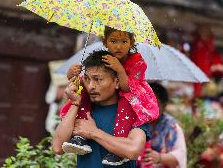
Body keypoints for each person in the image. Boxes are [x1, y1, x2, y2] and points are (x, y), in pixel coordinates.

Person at [60, 26, 159, 165]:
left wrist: (119, 69)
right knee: (82, 91)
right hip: (117, 93)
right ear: (105, 42)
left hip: (131, 95)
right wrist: (72, 75)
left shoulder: (137, 61)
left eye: (124, 42)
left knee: (125, 102)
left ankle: (117, 150)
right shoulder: (103, 59)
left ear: (131, 43)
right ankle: (79, 138)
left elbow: (127, 88)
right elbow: (57, 147)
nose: (118, 46)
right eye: (113, 41)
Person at [140, 83, 187, 168]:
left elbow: (179, 157)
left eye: (154, 103)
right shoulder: (138, 122)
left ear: (164, 106)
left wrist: (159, 158)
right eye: (146, 102)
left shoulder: (172, 127)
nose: (149, 107)